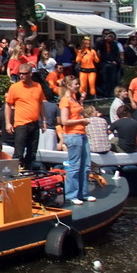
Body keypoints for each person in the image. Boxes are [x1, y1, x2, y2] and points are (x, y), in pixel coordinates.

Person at [4, 64, 46, 173]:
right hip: (21, 124)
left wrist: (44, 120)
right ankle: (13, 174)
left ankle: (29, 172)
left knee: (32, 152)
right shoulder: (15, 87)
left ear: (30, 74)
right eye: (20, 74)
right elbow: (8, 105)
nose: (21, 76)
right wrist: (8, 123)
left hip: (34, 123)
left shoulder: (38, 86)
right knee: (19, 151)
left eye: (24, 74)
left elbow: (41, 103)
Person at [59, 76, 93, 206]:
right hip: (73, 135)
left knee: (86, 165)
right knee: (75, 166)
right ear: (68, 86)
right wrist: (81, 121)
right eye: (75, 84)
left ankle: (83, 193)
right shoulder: (65, 100)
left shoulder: (74, 100)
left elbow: (78, 113)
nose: (78, 86)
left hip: (81, 134)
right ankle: (71, 194)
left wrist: (82, 101)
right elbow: (64, 121)